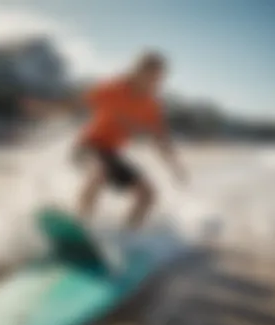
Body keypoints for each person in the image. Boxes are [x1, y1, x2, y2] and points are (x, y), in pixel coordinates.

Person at [73, 50, 189, 231]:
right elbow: (75, 104)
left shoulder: (151, 105)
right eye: (151, 76)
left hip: (111, 153)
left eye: (158, 78)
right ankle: (79, 224)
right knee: (99, 172)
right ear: (137, 72)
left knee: (148, 194)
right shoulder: (113, 89)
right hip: (88, 146)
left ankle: (127, 236)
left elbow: (161, 140)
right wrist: (43, 108)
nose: (155, 82)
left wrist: (175, 167)